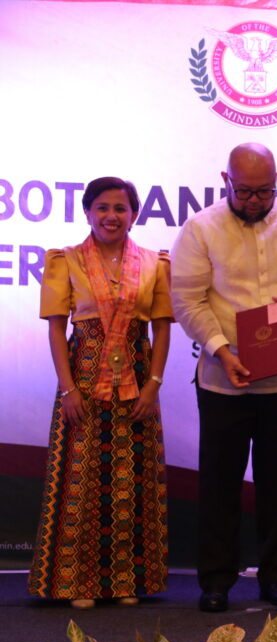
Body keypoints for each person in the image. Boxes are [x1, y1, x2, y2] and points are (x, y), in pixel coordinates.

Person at [171, 143, 277, 612]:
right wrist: (221, 351)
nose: (253, 200)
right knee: (219, 485)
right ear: (225, 180)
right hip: (224, 380)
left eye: (264, 191)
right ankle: (216, 582)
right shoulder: (200, 228)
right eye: (243, 191)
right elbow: (187, 300)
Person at [29, 177, 171, 609]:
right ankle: (78, 583)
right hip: (84, 380)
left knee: (130, 480)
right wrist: (67, 388)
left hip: (137, 379)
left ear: (134, 214)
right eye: (103, 208)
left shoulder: (155, 263)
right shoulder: (66, 260)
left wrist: (154, 384)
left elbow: (162, 329)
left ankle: (125, 580)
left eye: (121, 208)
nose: (112, 216)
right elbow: (57, 330)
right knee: (81, 481)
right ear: (88, 212)